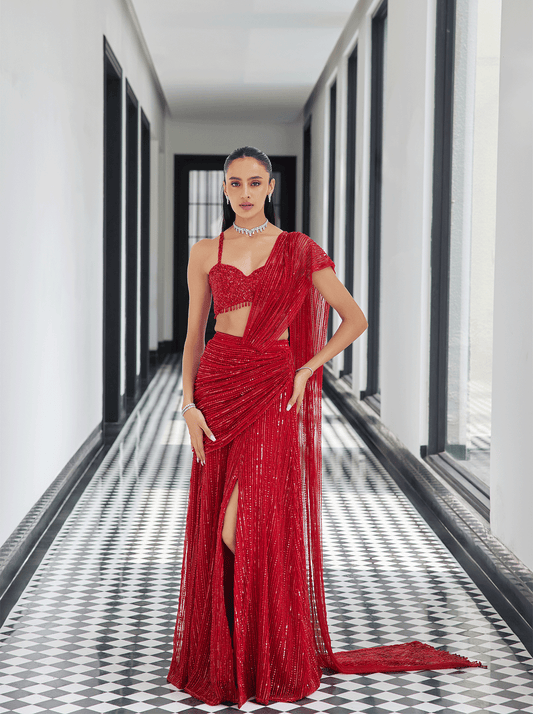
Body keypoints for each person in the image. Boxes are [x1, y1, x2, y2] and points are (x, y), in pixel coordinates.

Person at [166, 147, 484, 708]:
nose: (244, 192)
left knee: (241, 524)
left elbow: (354, 318)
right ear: (223, 189)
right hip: (216, 390)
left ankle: (266, 652)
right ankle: (232, 652)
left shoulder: (297, 249)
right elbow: (195, 336)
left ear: (270, 186)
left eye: (255, 182)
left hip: (271, 389)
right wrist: (187, 405)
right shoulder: (204, 251)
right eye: (234, 183)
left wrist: (308, 367)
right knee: (217, 515)